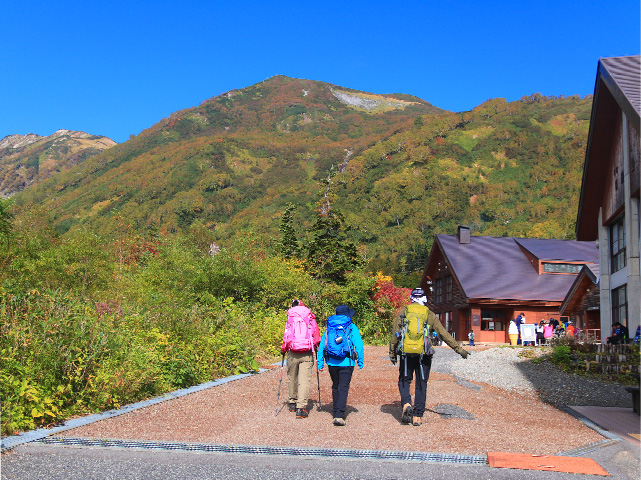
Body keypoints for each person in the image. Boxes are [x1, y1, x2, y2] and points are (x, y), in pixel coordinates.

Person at [389, 288, 469, 427]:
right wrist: (459, 349)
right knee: (421, 383)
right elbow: (443, 333)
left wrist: (392, 352)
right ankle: (417, 416)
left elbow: (395, 332)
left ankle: (407, 403)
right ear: (424, 298)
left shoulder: (404, 311)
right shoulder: (429, 314)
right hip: (424, 354)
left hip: (406, 353)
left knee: (404, 380)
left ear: (411, 298)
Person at [317, 305, 364, 426]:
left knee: (336, 386)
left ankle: (336, 410)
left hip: (332, 361)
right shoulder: (352, 327)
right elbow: (359, 345)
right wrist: (360, 361)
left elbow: (323, 344)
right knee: (343, 387)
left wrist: (320, 362)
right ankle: (339, 415)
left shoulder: (330, 326)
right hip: (347, 362)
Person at [281, 299, 320, 419]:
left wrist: (284, 349)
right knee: (304, 381)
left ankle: (292, 402)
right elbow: (316, 336)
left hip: (292, 351)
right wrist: (315, 346)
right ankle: (301, 408)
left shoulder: (290, 317)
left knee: (292, 377)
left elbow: (286, 335)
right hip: (307, 352)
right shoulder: (309, 316)